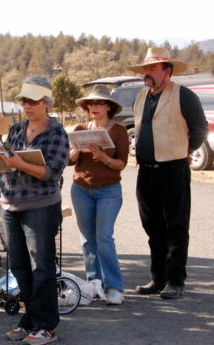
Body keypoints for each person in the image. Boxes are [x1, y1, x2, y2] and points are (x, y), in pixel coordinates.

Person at [127, 47, 208, 299]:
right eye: (146, 69)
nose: (147, 73)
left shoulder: (184, 95)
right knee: (152, 227)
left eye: (153, 69)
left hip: (173, 169)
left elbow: (200, 128)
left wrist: (187, 149)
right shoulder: (141, 96)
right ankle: (158, 278)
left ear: (167, 71)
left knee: (176, 226)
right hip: (146, 170)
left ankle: (175, 280)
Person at [0, 76, 69, 345]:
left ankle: (46, 326)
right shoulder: (16, 129)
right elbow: (6, 165)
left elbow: (51, 173)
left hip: (41, 206)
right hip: (10, 204)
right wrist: (2, 161)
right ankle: (30, 320)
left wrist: (18, 163)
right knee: (18, 267)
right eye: (24, 100)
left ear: (47, 103)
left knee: (42, 267)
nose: (27, 106)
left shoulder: (57, 132)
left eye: (33, 101)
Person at [69, 88, 128, 305]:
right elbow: (69, 161)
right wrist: (75, 151)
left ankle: (114, 287)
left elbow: (121, 164)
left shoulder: (118, 131)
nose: (94, 107)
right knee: (87, 240)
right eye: (91, 103)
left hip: (109, 190)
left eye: (99, 103)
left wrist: (102, 157)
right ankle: (94, 283)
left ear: (108, 107)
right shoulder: (80, 128)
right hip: (81, 188)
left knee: (104, 238)